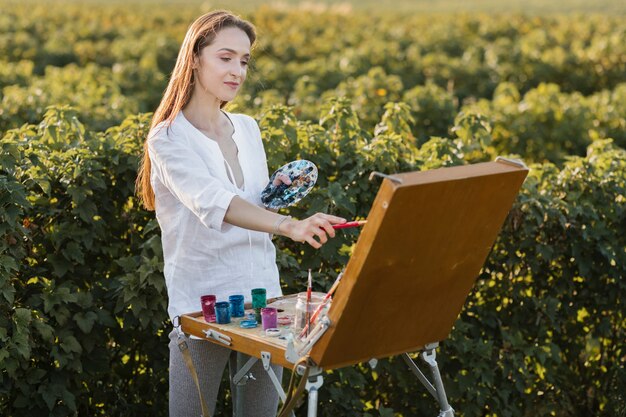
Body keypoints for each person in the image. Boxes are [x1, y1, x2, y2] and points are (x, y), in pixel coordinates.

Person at [135, 10, 346, 417]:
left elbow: (252, 205)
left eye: (245, 61)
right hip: (204, 306)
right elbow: (215, 201)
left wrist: (282, 204)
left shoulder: (247, 127)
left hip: (263, 301)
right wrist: (290, 226)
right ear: (195, 57)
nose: (238, 71)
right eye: (226, 58)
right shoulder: (168, 138)